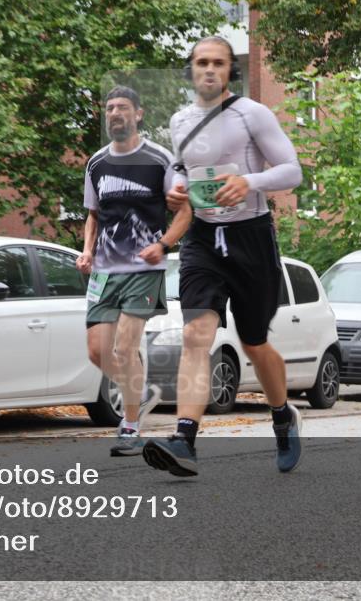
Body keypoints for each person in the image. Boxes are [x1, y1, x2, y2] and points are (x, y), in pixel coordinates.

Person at [142, 36, 303, 476]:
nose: (209, 70)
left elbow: (293, 169)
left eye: (218, 63)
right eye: (201, 63)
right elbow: (178, 167)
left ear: (230, 70)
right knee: (197, 334)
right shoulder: (180, 120)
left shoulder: (252, 114)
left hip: (251, 237)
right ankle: (184, 440)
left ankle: (282, 417)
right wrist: (173, 189)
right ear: (191, 70)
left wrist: (249, 182)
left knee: (254, 342)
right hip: (203, 239)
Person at [76, 86, 192, 456]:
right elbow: (92, 216)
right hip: (105, 272)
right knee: (98, 353)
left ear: (138, 114)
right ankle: (137, 392)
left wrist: (162, 245)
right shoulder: (96, 164)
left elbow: (185, 213)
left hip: (144, 267)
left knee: (125, 349)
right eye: (109, 108)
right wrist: (86, 250)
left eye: (122, 107)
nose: (115, 113)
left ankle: (129, 426)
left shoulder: (161, 160)